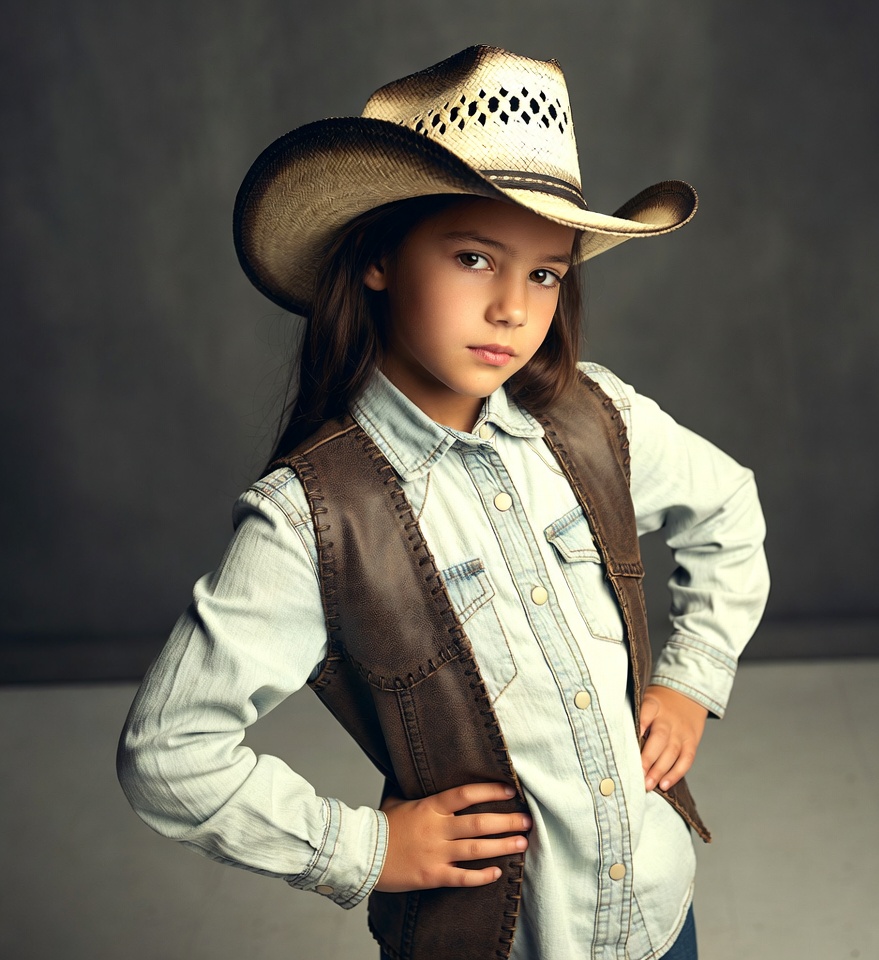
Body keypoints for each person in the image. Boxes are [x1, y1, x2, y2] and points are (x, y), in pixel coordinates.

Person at [118, 45, 769, 960]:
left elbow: (728, 506)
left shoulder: (597, 417)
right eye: (473, 257)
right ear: (380, 257)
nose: (513, 309)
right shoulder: (313, 519)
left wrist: (691, 679)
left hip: (658, 919)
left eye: (545, 273)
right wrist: (367, 850)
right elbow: (167, 752)